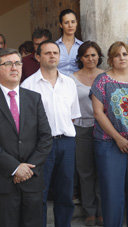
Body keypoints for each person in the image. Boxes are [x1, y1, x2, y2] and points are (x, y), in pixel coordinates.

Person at [0, 48, 52, 227]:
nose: (14, 67)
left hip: (32, 180)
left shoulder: (34, 98)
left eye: (17, 63)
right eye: (8, 64)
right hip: (1, 182)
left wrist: (27, 169)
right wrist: (14, 167)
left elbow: (46, 137)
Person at [21, 40, 81, 227]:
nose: (53, 56)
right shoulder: (28, 85)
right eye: (47, 53)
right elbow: (26, 120)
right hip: (41, 145)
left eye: (55, 52)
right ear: (38, 57)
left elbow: (72, 116)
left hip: (67, 143)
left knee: (65, 192)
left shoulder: (69, 83)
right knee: (40, 192)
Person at [91, 41, 128, 227]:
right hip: (109, 143)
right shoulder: (102, 80)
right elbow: (98, 113)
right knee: (112, 193)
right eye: (117, 55)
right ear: (111, 59)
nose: (122, 58)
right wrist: (118, 138)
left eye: (125, 54)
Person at [71, 41, 103, 226]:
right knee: (85, 171)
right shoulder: (71, 79)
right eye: (86, 55)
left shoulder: (106, 76)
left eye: (93, 55)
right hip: (82, 128)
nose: (90, 58)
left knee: (103, 170)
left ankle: (102, 210)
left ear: (99, 56)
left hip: (104, 128)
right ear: (80, 58)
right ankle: (90, 211)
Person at [56, 9, 83, 76]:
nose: (70, 25)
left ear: (76, 23)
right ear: (61, 25)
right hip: (59, 83)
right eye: (66, 22)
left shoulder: (82, 46)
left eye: (73, 22)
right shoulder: (54, 46)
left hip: (78, 84)